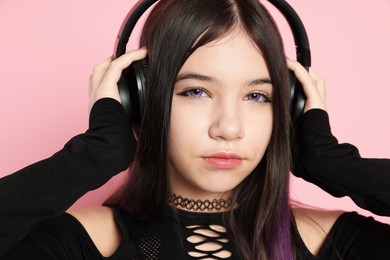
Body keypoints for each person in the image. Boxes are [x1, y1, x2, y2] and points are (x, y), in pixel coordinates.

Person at [2, 0, 390, 259]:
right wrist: (94, 156)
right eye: (196, 91)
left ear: (291, 109)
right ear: (138, 99)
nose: (229, 127)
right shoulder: (80, 243)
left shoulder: (337, 242)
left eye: (257, 96)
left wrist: (332, 161)